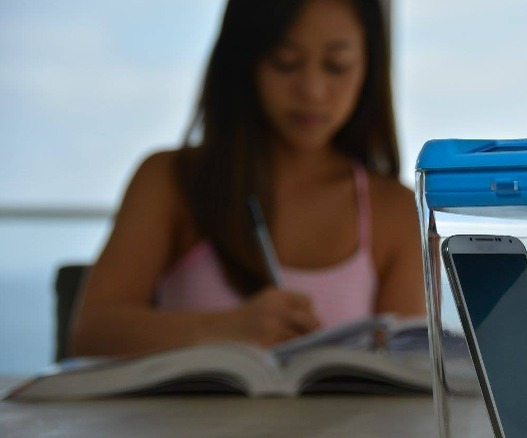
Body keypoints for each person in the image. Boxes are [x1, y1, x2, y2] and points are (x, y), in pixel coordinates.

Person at [70, 0, 425, 357]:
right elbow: (90, 333)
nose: (312, 90)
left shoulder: (393, 209)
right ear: (244, 60)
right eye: (284, 61)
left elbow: (410, 369)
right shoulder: (171, 180)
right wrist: (224, 329)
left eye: (337, 66)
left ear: (370, 67)